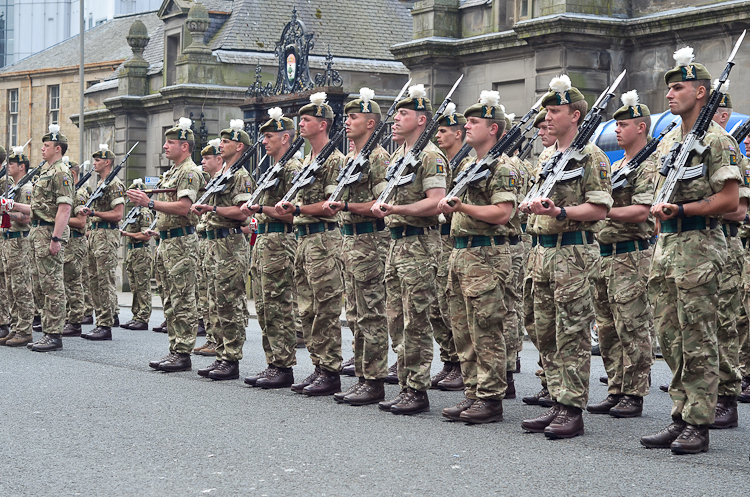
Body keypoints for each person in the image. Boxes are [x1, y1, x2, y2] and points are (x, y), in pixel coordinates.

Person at [641, 47, 741, 454]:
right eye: (668, 88)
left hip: (701, 245)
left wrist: (680, 208)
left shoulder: (719, 140)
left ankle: (699, 422)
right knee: (671, 336)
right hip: (668, 247)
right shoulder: (668, 142)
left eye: (678, 87)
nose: (669, 94)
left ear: (701, 92)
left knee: (699, 336)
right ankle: (680, 414)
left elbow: (731, 200)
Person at [519, 75, 612, 439]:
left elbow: (600, 208)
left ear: (575, 115)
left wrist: (561, 212)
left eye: (554, 111)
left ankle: (572, 409)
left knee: (572, 333)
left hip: (573, 251)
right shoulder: (547, 155)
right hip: (542, 254)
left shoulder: (592, 156)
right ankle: (557, 400)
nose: (547, 118)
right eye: (546, 112)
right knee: (546, 332)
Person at [438, 90, 518, 423]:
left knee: (486, 327)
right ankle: (472, 392)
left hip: (486, 254)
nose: (466, 126)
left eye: (474, 122)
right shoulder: (471, 164)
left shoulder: (503, 166)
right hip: (462, 253)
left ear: (494, 129)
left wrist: (461, 207)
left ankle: (491, 397)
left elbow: (502, 213)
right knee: (463, 329)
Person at [371, 84, 447, 415]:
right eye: (396, 113)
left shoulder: (430, 156)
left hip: (419, 244)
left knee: (416, 319)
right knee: (396, 317)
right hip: (397, 244)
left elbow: (435, 204)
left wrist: (396, 210)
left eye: (403, 114)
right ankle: (405, 383)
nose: (396, 119)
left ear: (421, 119)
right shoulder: (400, 157)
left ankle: (416, 389)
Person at [587, 90, 656, 418]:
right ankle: (616, 386)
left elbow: (642, 211)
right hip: (605, 256)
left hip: (631, 255)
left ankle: (635, 391)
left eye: (624, 124)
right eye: (616, 124)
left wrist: (604, 211)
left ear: (641, 128)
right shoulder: (619, 165)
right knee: (607, 328)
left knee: (632, 325)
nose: (617, 129)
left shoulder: (649, 165)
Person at [322, 88, 391, 405]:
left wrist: (346, 205)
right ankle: (363, 373)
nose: (347, 122)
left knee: (371, 313)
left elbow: (382, 203)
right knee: (355, 313)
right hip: (349, 242)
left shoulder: (378, 158)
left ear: (372, 123)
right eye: (347, 117)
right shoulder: (351, 158)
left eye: (353, 117)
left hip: (370, 241)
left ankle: (374, 379)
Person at [275, 93, 345, 396]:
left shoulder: (334, 160)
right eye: (300, 119)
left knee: (325, 307)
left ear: (323, 124)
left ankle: (330, 370)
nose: (300, 124)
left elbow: (332, 205)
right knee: (307, 308)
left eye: (306, 120)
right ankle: (318, 366)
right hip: (303, 239)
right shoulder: (304, 161)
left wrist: (299, 210)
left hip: (324, 237)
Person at [128, 117, 205, 372]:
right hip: (167, 242)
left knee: (183, 298)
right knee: (171, 299)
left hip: (182, 241)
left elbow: (184, 207)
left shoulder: (190, 172)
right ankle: (175, 349)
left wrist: (148, 203)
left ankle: (183, 352)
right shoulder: (172, 172)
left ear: (185, 146)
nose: (165, 146)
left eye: (170, 142)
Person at [241, 108, 301, 389]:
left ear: (285, 138)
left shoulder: (293, 169)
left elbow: (294, 214)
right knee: (265, 307)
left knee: (279, 306)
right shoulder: (271, 168)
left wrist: (261, 208)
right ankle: (273, 362)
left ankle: (283, 365)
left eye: (269, 136)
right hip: (264, 241)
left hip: (280, 241)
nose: (263, 141)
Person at [3, 124, 74, 351]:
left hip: (48, 233)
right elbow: (37, 208)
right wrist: (12, 205)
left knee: (52, 285)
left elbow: (64, 209)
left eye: (46, 145)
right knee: (41, 285)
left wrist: (56, 238)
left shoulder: (61, 172)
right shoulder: (46, 172)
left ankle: (54, 334)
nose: (42, 149)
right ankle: (46, 330)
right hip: (38, 231)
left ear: (58, 148)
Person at [192, 120, 252, 381]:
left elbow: (243, 212)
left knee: (229, 303)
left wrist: (212, 210)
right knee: (215, 303)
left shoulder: (240, 175)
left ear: (238, 146)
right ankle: (221, 353)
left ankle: (231, 358)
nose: (220, 145)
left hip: (229, 245)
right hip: (213, 245)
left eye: (225, 142)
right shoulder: (223, 175)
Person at [704, 80, 747, 429]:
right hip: (699, 245)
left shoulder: (727, 150)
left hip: (727, 244)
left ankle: (727, 396)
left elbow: (737, 210)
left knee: (726, 323)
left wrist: (693, 208)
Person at [431, 102, 466, 391]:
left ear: (458, 133)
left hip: (456, 238)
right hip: (439, 238)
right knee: (438, 306)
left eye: (443, 131)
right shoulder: (442, 161)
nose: (438, 136)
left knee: (451, 304)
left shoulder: (465, 161)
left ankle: (459, 363)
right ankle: (450, 360)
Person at [79, 144, 125, 341]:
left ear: (107, 162)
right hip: (96, 236)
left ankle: (105, 324)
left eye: (98, 160)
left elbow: (118, 214)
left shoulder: (114, 184)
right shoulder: (100, 183)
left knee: (104, 281)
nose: (94, 163)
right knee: (93, 280)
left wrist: (94, 213)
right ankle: (101, 320)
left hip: (106, 236)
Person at [0, 146, 35, 347]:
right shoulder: (12, 187)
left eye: (11, 164)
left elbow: (25, 218)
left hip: (20, 240)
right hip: (8, 240)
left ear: (21, 166)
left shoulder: (26, 188)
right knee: (11, 288)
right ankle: (15, 328)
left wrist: (6, 211)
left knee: (22, 288)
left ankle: (25, 330)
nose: (8, 166)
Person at [193, 140, 223, 356]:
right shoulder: (211, 183)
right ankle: (212, 337)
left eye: (207, 158)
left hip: (222, 244)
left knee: (219, 296)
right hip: (206, 243)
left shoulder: (227, 180)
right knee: (206, 295)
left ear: (218, 159)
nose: (202, 162)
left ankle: (221, 343)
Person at [61, 158, 91, 337]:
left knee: (73, 282)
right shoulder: (68, 192)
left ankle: (75, 321)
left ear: (72, 174)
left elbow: (80, 222)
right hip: (67, 241)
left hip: (75, 242)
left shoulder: (78, 194)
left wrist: (58, 219)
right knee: (65, 282)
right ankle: (67, 318)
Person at [119, 179, 154, 331]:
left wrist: (126, 233)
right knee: (134, 286)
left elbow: (146, 235)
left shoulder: (145, 211)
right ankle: (136, 315)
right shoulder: (134, 211)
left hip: (141, 251)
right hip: (132, 251)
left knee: (142, 286)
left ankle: (143, 317)